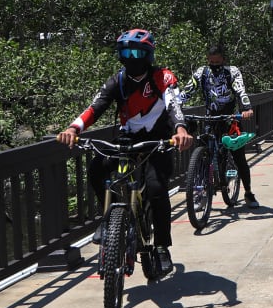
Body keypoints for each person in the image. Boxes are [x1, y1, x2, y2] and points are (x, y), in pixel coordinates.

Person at [55, 29, 193, 275]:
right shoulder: (117, 80)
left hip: (159, 140)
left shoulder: (162, 76)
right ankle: (109, 218)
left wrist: (180, 129)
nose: (131, 58)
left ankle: (162, 246)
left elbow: (173, 105)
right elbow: (95, 107)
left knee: (156, 189)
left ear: (148, 55)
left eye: (137, 53)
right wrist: (73, 128)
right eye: (126, 52)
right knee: (97, 169)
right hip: (127, 138)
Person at [178, 44, 259, 208]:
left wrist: (246, 108)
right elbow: (187, 90)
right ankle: (201, 193)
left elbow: (240, 91)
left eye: (218, 62)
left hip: (230, 119)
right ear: (207, 60)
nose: (214, 65)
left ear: (223, 59)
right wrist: (175, 105)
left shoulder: (232, 71)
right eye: (211, 62)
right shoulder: (201, 72)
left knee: (239, 157)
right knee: (202, 154)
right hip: (211, 118)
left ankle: (249, 193)